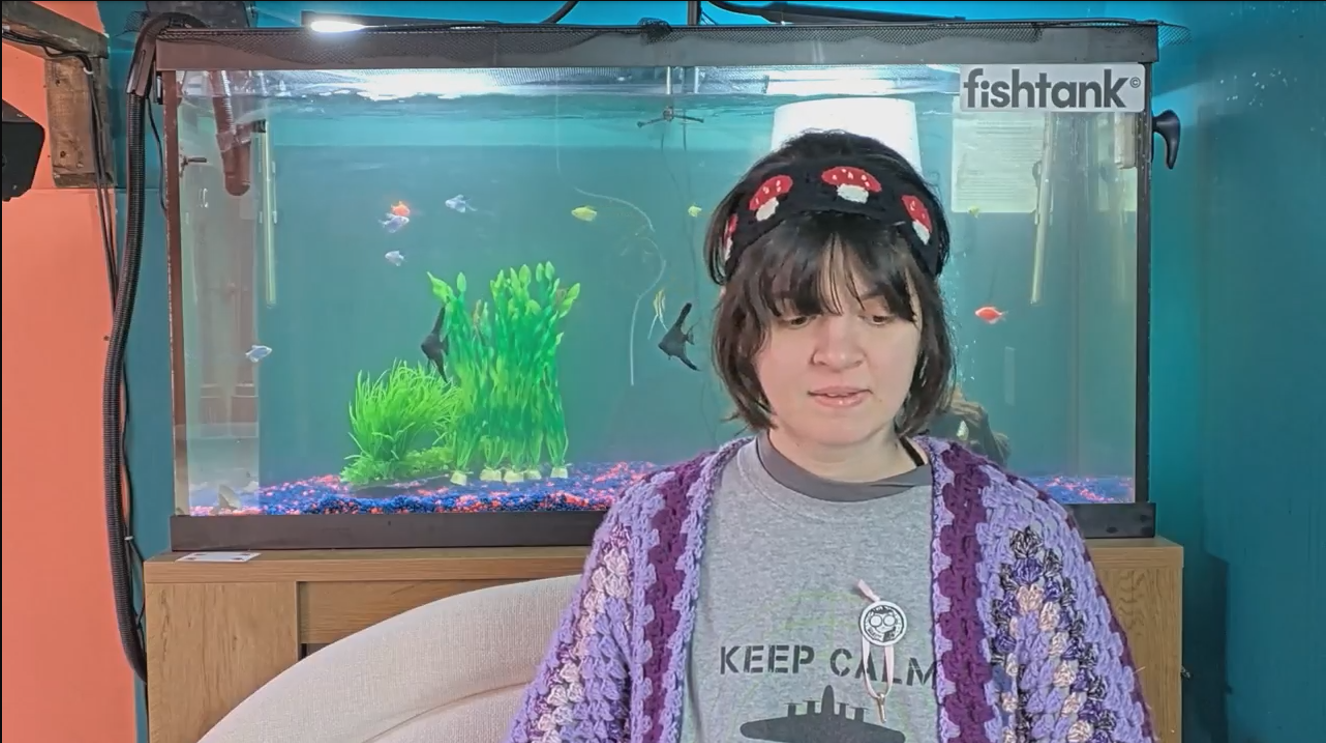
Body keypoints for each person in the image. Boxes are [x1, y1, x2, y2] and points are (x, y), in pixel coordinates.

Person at [503, 130, 1156, 743]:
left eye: (878, 315)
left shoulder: (1020, 536)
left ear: (924, 333)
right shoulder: (652, 529)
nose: (839, 353)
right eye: (797, 316)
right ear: (744, 334)